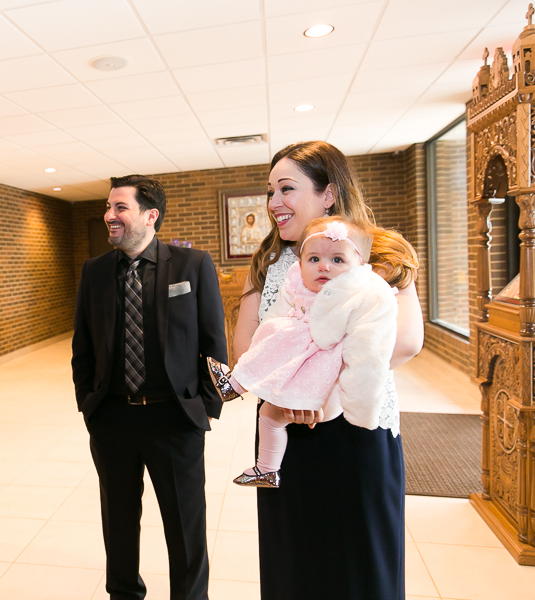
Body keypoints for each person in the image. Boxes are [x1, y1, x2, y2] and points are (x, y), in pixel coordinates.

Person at [233, 141, 423, 600]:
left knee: (362, 570)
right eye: (271, 191)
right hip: (288, 437)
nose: (274, 202)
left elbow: (404, 341)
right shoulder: (268, 264)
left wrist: (320, 390)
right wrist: (288, 392)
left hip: (357, 433)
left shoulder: (380, 254)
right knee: (294, 570)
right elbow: (244, 345)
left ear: (328, 194)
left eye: (286, 189)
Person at [72, 174, 227, 600]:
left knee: (185, 527)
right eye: (108, 207)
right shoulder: (95, 272)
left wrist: (207, 407)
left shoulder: (193, 266)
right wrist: (90, 405)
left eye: (120, 207)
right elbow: (82, 346)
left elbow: (215, 343)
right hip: (114, 419)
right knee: (118, 524)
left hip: (174, 418)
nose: (110, 216)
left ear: (150, 215)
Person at [208, 217, 398, 489]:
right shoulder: (296, 282)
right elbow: (273, 319)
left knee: (283, 344)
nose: (323, 266)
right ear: (300, 263)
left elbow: (368, 352)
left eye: (337, 260)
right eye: (314, 259)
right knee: (270, 415)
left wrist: (346, 400)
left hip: (326, 374)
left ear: (360, 267)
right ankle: (267, 468)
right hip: (298, 363)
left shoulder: (363, 293)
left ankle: (234, 386)